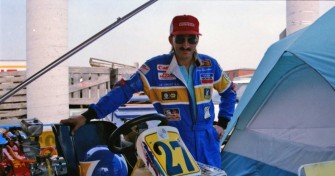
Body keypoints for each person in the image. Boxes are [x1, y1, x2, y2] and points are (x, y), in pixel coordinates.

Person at [61, 15, 237, 168]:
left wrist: (222, 123)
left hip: (208, 142)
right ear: (171, 40)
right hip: (175, 141)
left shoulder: (210, 65)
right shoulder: (155, 67)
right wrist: (87, 115)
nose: (186, 44)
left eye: (192, 39)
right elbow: (123, 91)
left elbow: (229, 92)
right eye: (180, 38)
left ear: (197, 40)